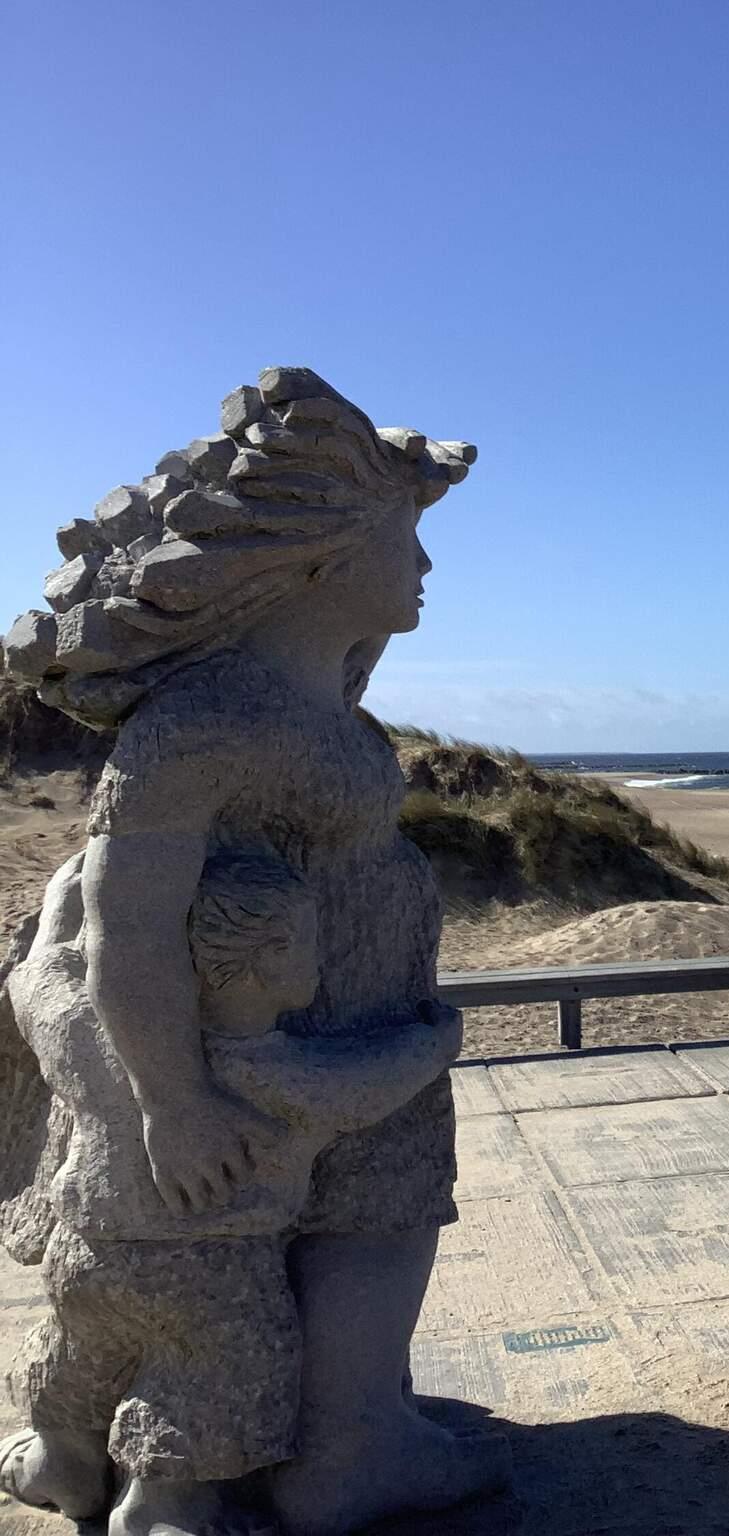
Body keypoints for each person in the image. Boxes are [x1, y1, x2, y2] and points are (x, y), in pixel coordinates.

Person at [1, 367, 494, 1536]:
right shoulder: (205, 721)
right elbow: (126, 914)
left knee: (360, 1215)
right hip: (264, 1037)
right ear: (320, 557)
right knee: (258, 1256)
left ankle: (339, 1432)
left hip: (337, 1008)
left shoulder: (310, 693)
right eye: (403, 537)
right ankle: (323, 1453)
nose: (425, 565)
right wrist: (172, 1099)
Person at [2, 851, 461, 1536]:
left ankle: (63, 1458)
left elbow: (40, 987)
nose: (319, 960)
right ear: (266, 961)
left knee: (77, 1356)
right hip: (216, 1282)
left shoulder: (100, 1047)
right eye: (307, 943)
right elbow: (373, 1083)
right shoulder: (281, 1077)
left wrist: (67, 903)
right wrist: (437, 1042)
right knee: (219, 1379)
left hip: (87, 1260)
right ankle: (165, 1506)